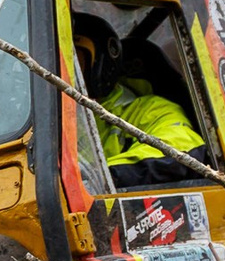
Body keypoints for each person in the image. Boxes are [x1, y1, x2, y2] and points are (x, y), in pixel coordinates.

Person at [72, 13, 207, 188]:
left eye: (74, 62)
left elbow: (182, 145)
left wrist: (98, 180)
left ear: (99, 66)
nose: (64, 73)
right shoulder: (43, 121)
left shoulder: (151, 109)